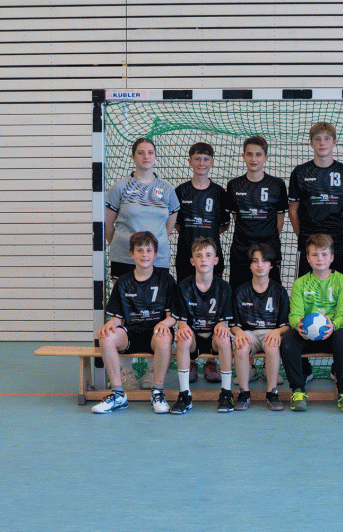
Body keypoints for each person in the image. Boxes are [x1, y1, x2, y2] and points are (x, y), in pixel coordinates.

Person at [104, 137, 180, 388]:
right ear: (133, 156)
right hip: (125, 258)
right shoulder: (120, 187)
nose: (146, 156)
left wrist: (149, 250)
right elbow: (108, 225)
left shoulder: (166, 189)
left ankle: (150, 372)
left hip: (156, 259)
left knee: (155, 312)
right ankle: (126, 372)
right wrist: (126, 249)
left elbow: (168, 226)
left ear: (155, 156)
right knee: (126, 314)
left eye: (150, 152)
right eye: (141, 152)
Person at [91, 232, 177, 414]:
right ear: (132, 254)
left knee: (164, 337)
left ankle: (157, 392)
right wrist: (111, 324)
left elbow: (172, 317)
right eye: (140, 250)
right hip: (131, 333)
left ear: (155, 254)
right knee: (106, 337)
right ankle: (118, 395)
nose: (144, 255)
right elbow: (117, 318)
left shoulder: (166, 280)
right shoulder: (123, 282)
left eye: (149, 250)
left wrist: (165, 324)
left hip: (155, 334)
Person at [174, 142, 231, 385]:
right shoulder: (180, 191)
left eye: (206, 159)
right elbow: (176, 223)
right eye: (197, 159)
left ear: (212, 162)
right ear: (190, 161)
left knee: (212, 306)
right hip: (186, 257)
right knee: (188, 307)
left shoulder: (219, 193)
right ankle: (191, 360)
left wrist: (206, 247)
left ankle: (211, 361)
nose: (201, 163)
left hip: (210, 260)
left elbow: (223, 224)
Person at [279, 234, 343, 413]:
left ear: (332, 257)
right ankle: (298, 390)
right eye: (314, 255)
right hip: (307, 334)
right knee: (288, 339)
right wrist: (297, 324)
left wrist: (333, 326)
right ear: (307, 258)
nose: (320, 259)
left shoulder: (342, 281)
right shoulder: (300, 283)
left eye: (324, 254)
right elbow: (294, 314)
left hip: (331, 333)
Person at [169, 238, 234, 414]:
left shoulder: (224, 288)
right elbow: (182, 321)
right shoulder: (183, 286)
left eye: (208, 255)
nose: (204, 259)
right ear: (192, 261)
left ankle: (226, 393)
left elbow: (224, 321)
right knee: (183, 338)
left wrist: (222, 325)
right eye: (199, 255)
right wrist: (183, 327)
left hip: (213, 338)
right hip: (194, 338)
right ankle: (185, 395)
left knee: (224, 338)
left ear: (216, 260)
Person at [288, 122, 343, 278]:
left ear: (334, 142)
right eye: (317, 139)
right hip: (309, 240)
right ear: (311, 143)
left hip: (336, 241)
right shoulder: (300, 172)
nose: (322, 143)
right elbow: (292, 211)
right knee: (307, 288)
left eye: (326, 138)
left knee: (339, 288)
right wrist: (304, 236)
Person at [230, 243, 291, 411]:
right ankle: (244, 393)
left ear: (271, 265)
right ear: (250, 265)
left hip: (270, 332)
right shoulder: (240, 292)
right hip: (248, 333)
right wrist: (238, 332)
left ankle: (272, 393)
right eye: (255, 261)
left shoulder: (280, 291)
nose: (259, 265)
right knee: (241, 347)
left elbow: (287, 325)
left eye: (264, 260)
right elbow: (234, 325)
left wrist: (278, 331)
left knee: (272, 346)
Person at [225, 136, 288, 289]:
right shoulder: (234, 185)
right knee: (238, 295)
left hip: (269, 251)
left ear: (266, 157)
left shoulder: (277, 184)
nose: (253, 159)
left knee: (270, 294)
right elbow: (237, 217)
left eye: (258, 154)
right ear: (243, 156)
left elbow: (279, 220)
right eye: (249, 154)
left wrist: (266, 240)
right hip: (241, 252)